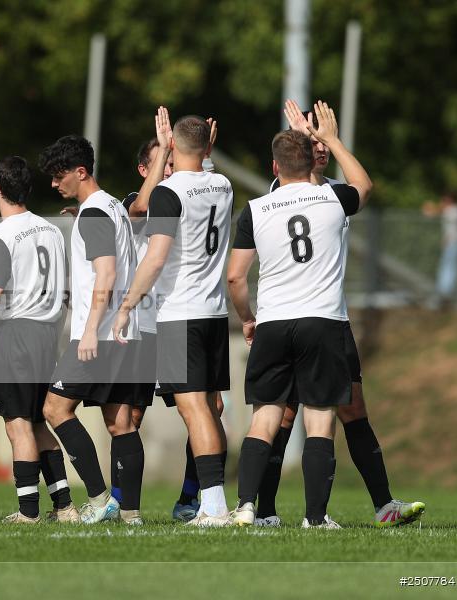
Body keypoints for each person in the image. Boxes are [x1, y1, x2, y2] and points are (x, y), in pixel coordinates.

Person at [253, 100, 426, 528]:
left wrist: (328, 140)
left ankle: (384, 504)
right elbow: (355, 184)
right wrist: (313, 139)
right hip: (298, 319)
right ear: (299, 155)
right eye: (310, 145)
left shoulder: (332, 192)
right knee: (285, 414)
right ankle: (266, 511)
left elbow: (358, 183)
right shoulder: (284, 196)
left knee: (353, 409)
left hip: (331, 318)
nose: (320, 149)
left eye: (322, 144)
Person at [228, 102, 373, 529]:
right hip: (321, 321)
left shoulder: (255, 208)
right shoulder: (332, 197)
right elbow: (363, 184)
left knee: (265, 418)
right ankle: (314, 517)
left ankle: (248, 508)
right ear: (313, 159)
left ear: (274, 165)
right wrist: (331, 139)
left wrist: (248, 318)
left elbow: (236, 277)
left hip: (272, 323)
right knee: (320, 419)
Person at [113, 114, 234, 527]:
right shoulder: (222, 184)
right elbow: (199, 168)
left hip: (180, 314)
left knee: (194, 409)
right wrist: (200, 149)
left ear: (172, 147)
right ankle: (207, 500)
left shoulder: (169, 193)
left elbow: (157, 256)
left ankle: (214, 505)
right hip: (215, 312)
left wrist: (127, 304)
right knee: (209, 409)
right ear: (208, 148)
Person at [39, 135, 145, 526]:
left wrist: (88, 331)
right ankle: (130, 514)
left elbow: (107, 271)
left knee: (55, 407)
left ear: (80, 172)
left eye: (58, 175)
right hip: (125, 333)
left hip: (98, 335)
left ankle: (100, 500)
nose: (54, 183)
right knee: (120, 422)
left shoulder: (95, 213)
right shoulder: (111, 206)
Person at [0, 156, 79, 524]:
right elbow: (65, 291)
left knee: (17, 423)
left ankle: (28, 512)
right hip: (46, 334)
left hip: (16, 333)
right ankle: (65, 507)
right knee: (37, 422)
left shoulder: (0, 234)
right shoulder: (52, 230)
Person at [425, 193, 457, 306]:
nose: (442, 203)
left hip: (454, 244)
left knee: (448, 267)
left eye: (443, 200)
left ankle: (444, 293)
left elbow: (431, 213)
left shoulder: (453, 211)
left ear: (449, 201)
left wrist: (429, 208)